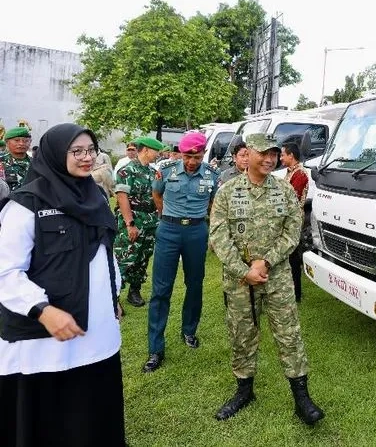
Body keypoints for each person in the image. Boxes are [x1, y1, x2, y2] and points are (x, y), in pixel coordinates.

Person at [0, 124, 125, 446]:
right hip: (44, 336)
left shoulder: (95, 195)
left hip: (96, 331)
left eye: (90, 150)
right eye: (76, 151)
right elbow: (6, 271)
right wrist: (42, 310)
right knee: (48, 419)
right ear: (56, 154)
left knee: (91, 410)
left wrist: (113, 295)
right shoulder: (26, 204)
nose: (86, 158)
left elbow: (104, 253)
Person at [209, 133, 324, 424]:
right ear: (248, 154)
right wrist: (244, 270)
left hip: (278, 278)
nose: (271, 159)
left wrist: (267, 260)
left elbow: (293, 230)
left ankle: (302, 398)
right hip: (240, 282)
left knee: (289, 335)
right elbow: (219, 238)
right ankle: (244, 391)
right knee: (242, 335)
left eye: (274, 154)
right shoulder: (227, 191)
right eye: (264, 153)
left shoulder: (284, 191)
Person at [143, 132, 219, 373]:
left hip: (196, 232)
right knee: (161, 289)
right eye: (187, 156)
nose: (192, 161)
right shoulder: (165, 171)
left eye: (197, 156)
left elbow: (214, 203)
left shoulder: (211, 175)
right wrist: (168, 217)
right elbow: (157, 194)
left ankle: (189, 331)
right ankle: (156, 348)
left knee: (195, 284)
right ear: (180, 153)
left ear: (203, 154)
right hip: (169, 231)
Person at [113, 136, 164, 308]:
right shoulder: (127, 171)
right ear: (146, 150)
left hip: (150, 220)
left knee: (143, 257)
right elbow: (122, 198)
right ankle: (114, 296)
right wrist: (130, 224)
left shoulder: (152, 172)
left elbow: (157, 196)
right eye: (156, 151)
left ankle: (134, 291)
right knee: (125, 257)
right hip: (133, 219)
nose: (158, 154)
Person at [280, 142, 309, 302]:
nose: (281, 158)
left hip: (294, 220)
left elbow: (291, 199)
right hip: (288, 218)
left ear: (291, 155)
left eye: (283, 154)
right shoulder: (290, 172)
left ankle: (296, 293)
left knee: (293, 256)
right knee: (289, 255)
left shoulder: (300, 174)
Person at [0, 127, 33, 192]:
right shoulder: (1, 161)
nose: (21, 143)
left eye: (26, 141)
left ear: (30, 142)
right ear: (7, 142)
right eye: (17, 140)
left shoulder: (36, 163)